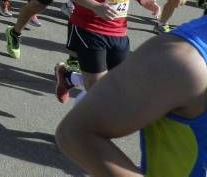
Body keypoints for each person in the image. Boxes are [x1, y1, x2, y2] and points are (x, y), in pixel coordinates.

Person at [56, 16, 207, 176]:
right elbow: (75, 132)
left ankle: (72, 79)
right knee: (95, 84)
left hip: (117, 33)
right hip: (94, 26)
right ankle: (71, 78)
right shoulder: (182, 59)